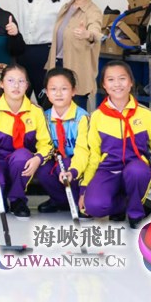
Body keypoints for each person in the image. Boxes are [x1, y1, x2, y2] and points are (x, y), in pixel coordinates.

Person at [77, 61, 151, 228]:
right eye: (111, 80)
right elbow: (93, 155)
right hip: (107, 170)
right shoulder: (97, 116)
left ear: (131, 82)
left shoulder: (146, 114)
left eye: (122, 78)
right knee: (93, 207)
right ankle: (121, 204)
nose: (117, 84)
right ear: (104, 85)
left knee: (136, 171)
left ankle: (136, 214)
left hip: (136, 169)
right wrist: (84, 189)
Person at [0, 64, 50, 218]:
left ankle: (18, 199)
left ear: (27, 86)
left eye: (21, 81)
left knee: (22, 156)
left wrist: (38, 158)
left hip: (21, 161)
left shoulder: (36, 112)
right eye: (10, 81)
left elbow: (46, 144)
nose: (16, 86)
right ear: (1, 84)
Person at [46, 0, 103, 109]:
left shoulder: (93, 11)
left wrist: (87, 34)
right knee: (57, 111)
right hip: (58, 66)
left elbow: (96, 33)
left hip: (77, 69)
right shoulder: (66, 7)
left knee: (77, 111)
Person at [35, 67, 89, 214]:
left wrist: (73, 169)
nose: (58, 94)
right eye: (53, 89)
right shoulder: (44, 117)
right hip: (56, 160)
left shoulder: (82, 117)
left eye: (64, 89)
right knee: (42, 168)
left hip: (76, 161)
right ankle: (59, 200)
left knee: (65, 166)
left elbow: (83, 151)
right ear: (46, 92)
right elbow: (43, 144)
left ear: (73, 91)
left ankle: (80, 200)